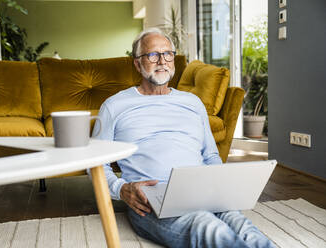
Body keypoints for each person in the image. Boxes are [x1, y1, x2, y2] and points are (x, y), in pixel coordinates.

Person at [91, 28, 275, 248]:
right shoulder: (114, 106)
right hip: (151, 200)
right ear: (138, 64)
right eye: (152, 55)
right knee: (207, 226)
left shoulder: (192, 103)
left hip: (203, 192)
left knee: (243, 227)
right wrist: (121, 189)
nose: (162, 61)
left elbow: (210, 154)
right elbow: (95, 163)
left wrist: (221, 188)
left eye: (167, 54)